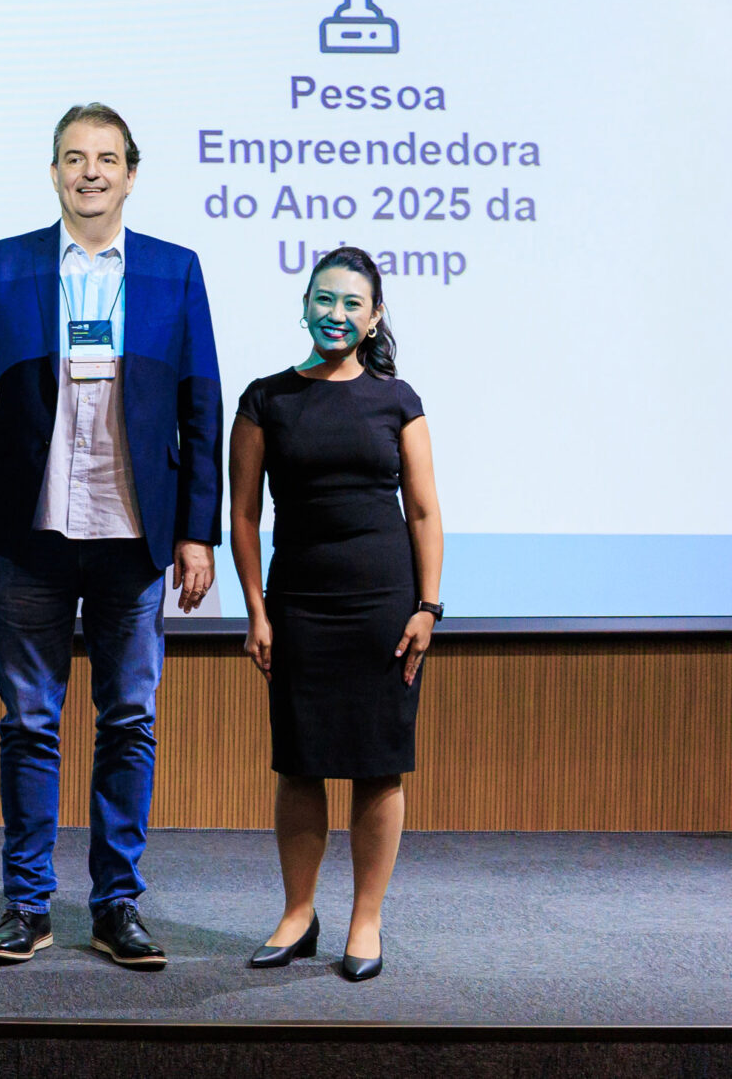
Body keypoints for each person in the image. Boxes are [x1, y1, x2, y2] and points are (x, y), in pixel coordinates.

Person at [0, 104, 223, 970]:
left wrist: (198, 533)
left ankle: (117, 904)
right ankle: (26, 904)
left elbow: (201, 408)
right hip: (31, 532)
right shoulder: (5, 266)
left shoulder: (176, 271)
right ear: (54, 172)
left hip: (134, 535)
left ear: (132, 173)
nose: (89, 172)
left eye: (105, 159)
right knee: (29, 723)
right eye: (73, 158)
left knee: (129, 720)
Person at [230, 246, 442, 983]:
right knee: (300, 763)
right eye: (325, 299)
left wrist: (427, 606)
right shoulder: (267, 398)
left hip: (384, 606)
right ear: (305, 305)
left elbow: (422, 510)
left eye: (352, 303)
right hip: (299, 605)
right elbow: (246, 516)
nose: (336, 314)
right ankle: (298, 913)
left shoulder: (397, 398)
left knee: (379, 767)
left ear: (374, 315)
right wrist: (256, 610)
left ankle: (366, 919)